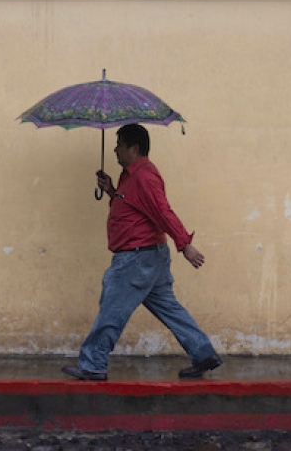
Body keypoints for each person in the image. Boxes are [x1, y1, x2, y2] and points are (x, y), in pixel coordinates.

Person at [61, 124, 222, 381]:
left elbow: (163, 211)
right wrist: (112, 191)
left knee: (111, 309)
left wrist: (185, 244)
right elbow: (132, 208)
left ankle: (93, 364)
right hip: (149, 257)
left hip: (136, 259)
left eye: (120, 145)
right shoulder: (131, 175)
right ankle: (203, 354)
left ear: (133, 148)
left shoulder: (144, 177)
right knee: (169, 308)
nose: (115, 150)